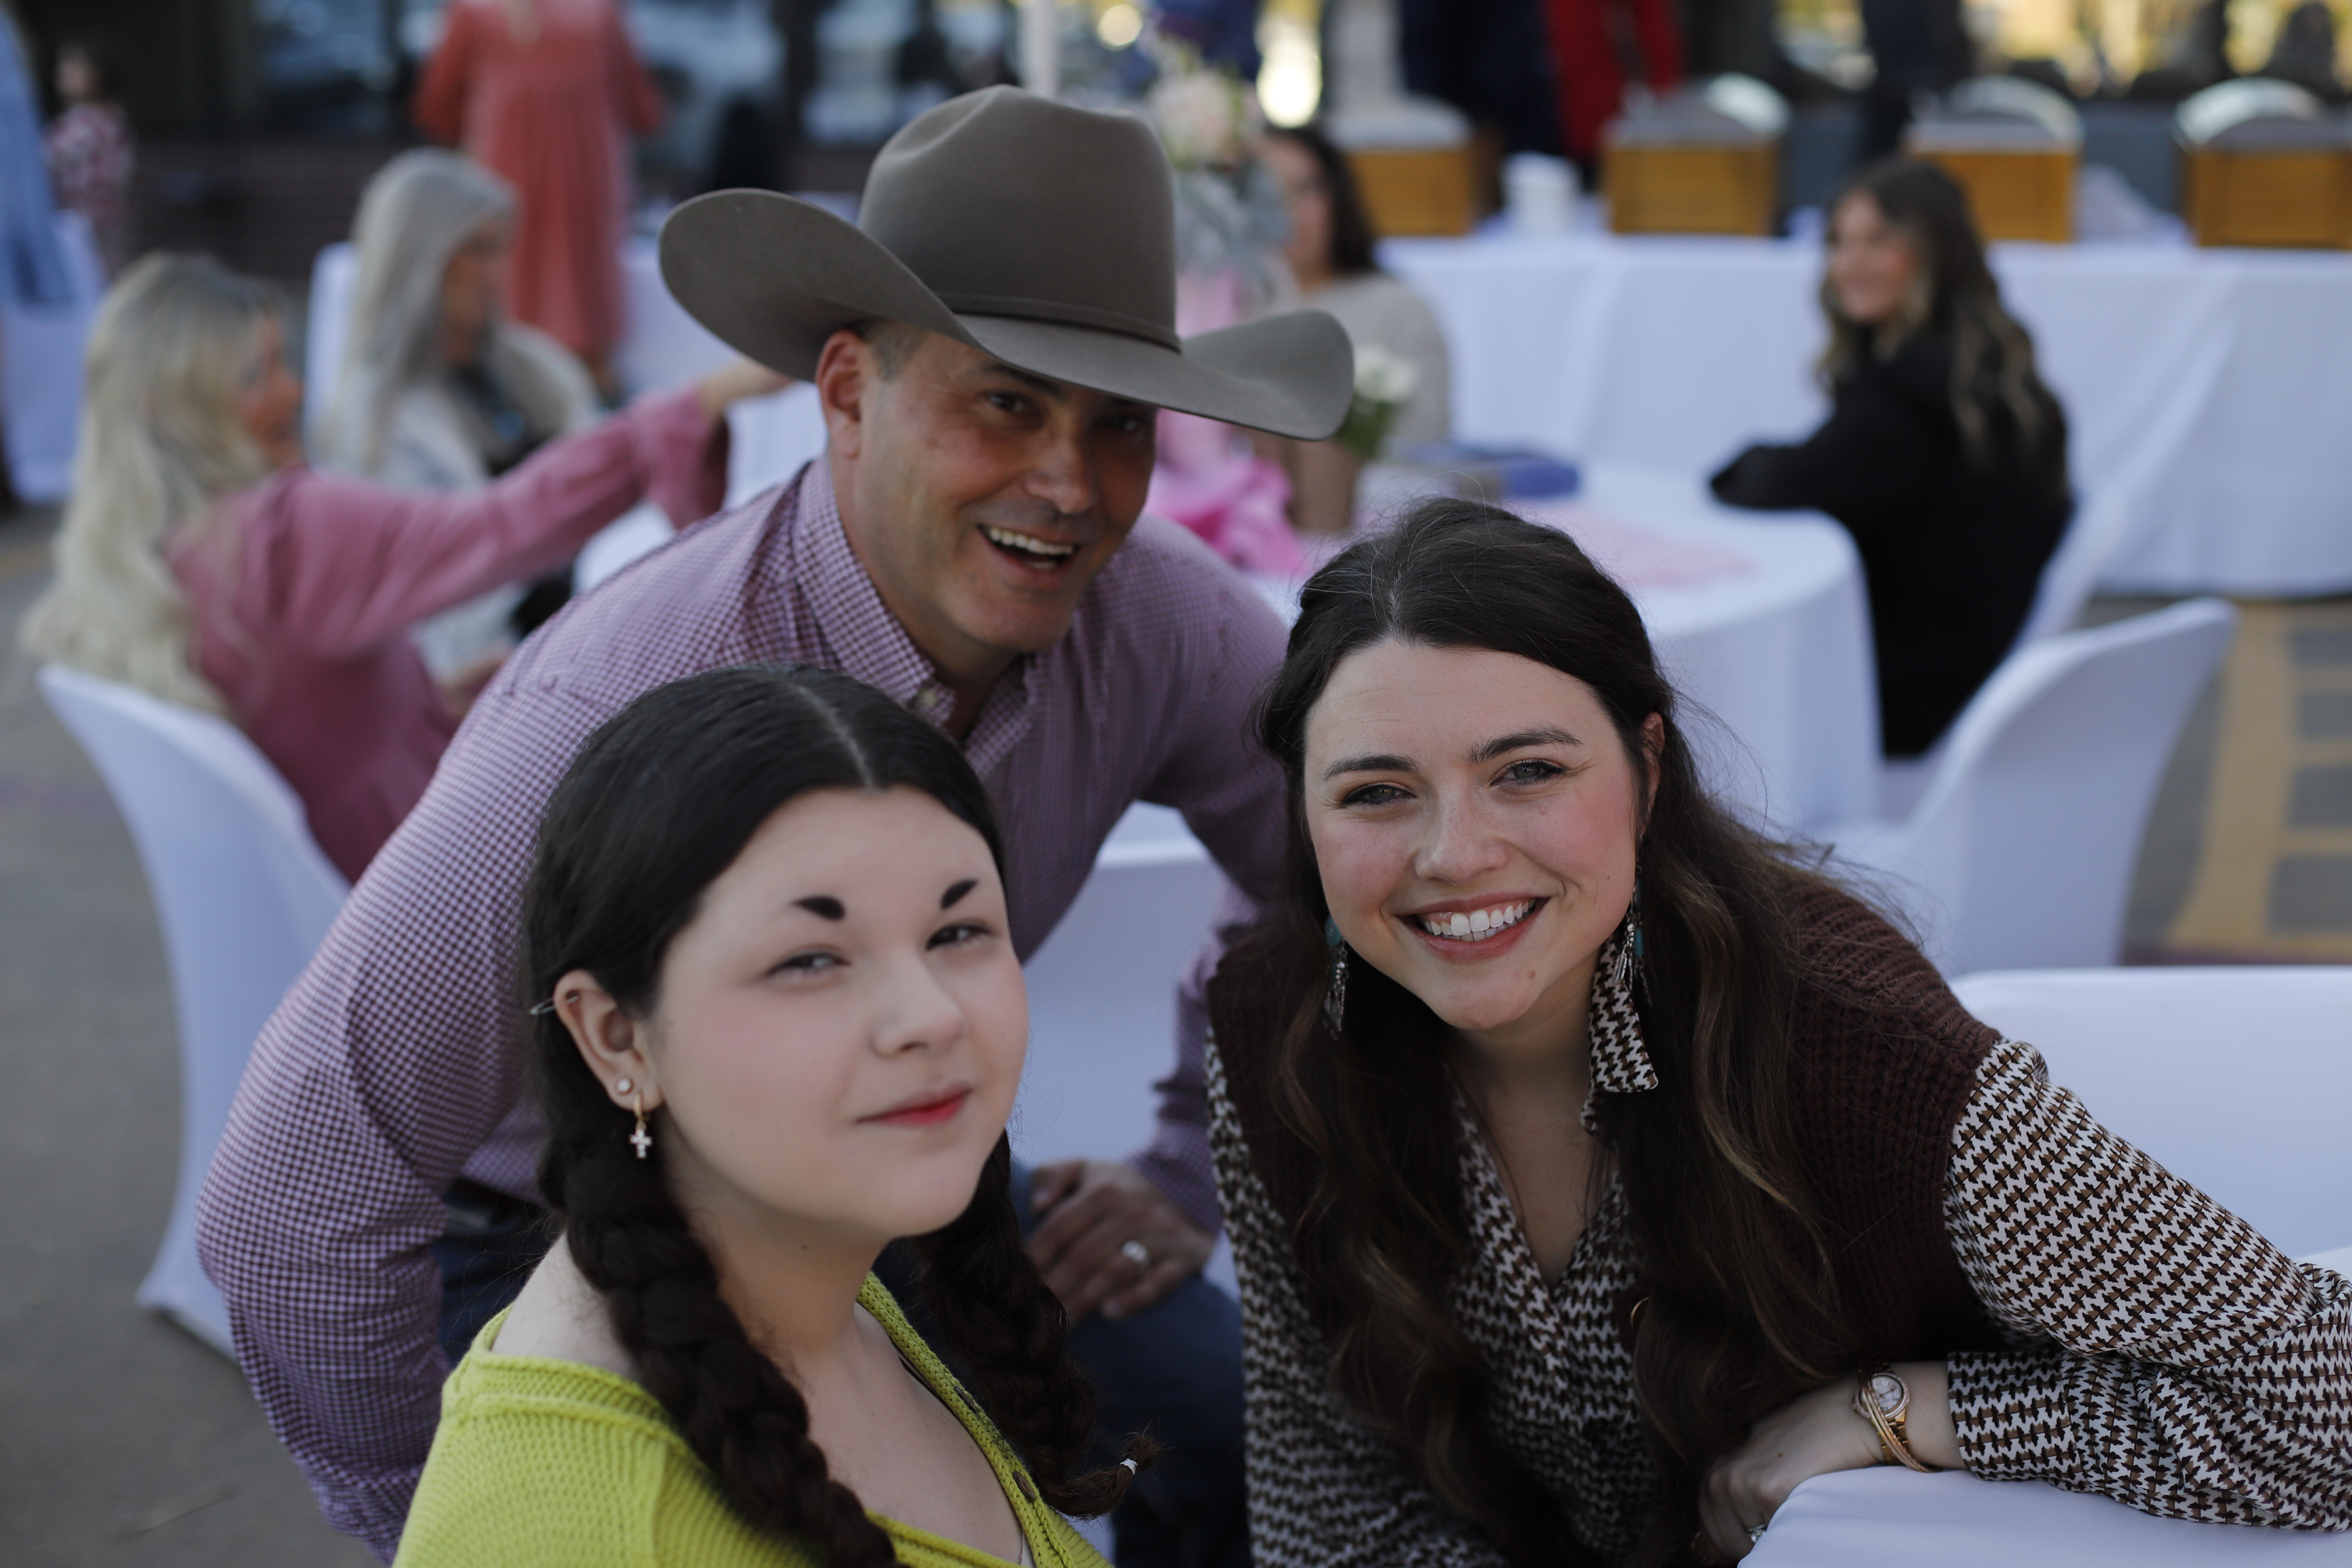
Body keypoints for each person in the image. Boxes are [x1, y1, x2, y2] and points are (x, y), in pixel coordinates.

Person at [195, 87, 1351, 1565]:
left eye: (1117, 420)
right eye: (1006, 401)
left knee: (1229, 1439)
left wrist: (1191, 1164)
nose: (1070, 484)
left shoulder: (1154, 618)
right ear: (848, 391)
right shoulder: (616, 700)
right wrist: (459, 1519)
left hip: (886, 1174)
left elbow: (1341, 863)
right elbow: (297, 1193)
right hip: (553, 1225)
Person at [1203, 499, 2352, 1567]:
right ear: (1303, 810)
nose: (1455, 853)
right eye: (1375, 792)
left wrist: (1901, 1411)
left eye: (1529, 771)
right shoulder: (1274, 1037)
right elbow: (1331, 1499)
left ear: (1648, 771)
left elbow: (2323, 1393)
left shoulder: (1860, 1058)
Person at [395, 664, 1146, 1567]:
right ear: (618, 1039)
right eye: (810, 959)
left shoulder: (826, 1281)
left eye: (957, 932)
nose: (932, 1017)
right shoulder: (568, 1538)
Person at [19, 253, 778, 881]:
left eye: (284, 363)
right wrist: (702, 400)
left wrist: (419, 703)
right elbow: (508, 523)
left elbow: (298, 717)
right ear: (171, 405)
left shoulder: (144, 558)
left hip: (346, 897)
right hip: (439, 883)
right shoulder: (287, 534)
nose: (293, 391)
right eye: (258, 374)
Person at [1710, 159, 2071, 760]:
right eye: (1839, 242)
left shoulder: (1910, 399)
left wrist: (1742, 461)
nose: (1850, 264)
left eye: (1879, 241)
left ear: (1937, 253)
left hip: (1903, 697)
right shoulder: (1995, 373)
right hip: (1970, 673)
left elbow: (1773, 485)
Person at [315, 149, 603, 679]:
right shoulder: (373, 416)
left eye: (501, 249)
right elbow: (438, 591)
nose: (498, 273)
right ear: (422, 258)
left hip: (590, 619)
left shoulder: (539, 371)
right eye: (478, 250)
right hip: (492, 670)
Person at [413, 0, 665, 395]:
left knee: (504, 272)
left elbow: (438, 108)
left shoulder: (474, 11)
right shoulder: (600, 12)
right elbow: (642, 109)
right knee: (574, 287)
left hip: (501, 179)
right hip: (583, 184)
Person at [1258, 122, 1453, 535]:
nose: (1286, 210)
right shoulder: (1229, 304)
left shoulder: (1398, 306)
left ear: (1338, 195)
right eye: (1265, 192)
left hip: (1364, 535)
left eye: (1305, 188)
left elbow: (1428, 444)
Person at [43, 40, 132, 276]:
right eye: (64, 64)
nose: (65, 71)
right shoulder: (86, 120)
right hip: (84, 229)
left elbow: (44, 161)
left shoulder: (95, 124)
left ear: (99, 74)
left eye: (76, 65)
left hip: (88, 230)